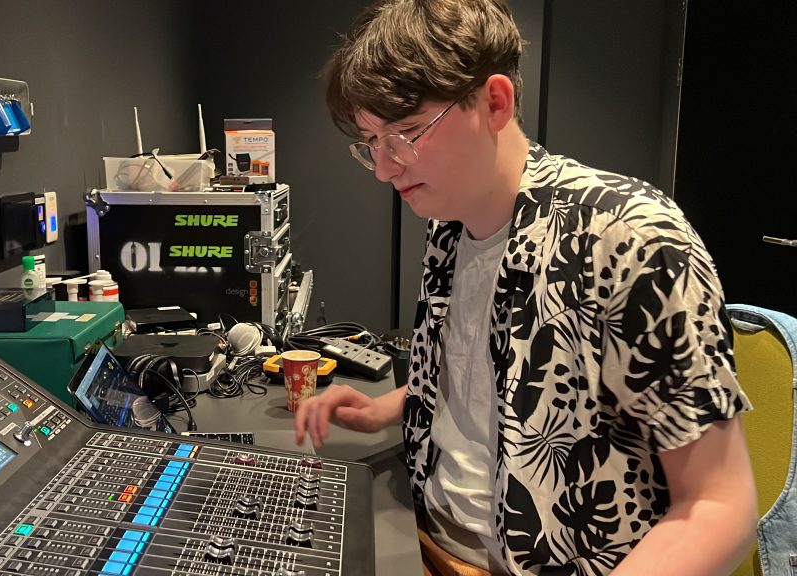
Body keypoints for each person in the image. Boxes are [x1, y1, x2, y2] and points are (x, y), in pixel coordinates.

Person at [293, 1, 758, 574]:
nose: (386, 168)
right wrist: (391, 406)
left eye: (407, 133)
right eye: (372, 142)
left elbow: (718, 505)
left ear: (494, 102)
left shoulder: (631, 236)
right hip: (421, 538)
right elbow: (496, 381)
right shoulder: (448, 221)